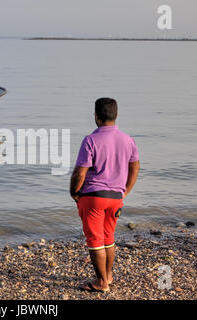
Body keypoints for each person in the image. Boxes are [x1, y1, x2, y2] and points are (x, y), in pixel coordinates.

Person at [69, 97, 140, 293]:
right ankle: (107, 276)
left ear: (96, 117)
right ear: (116, 115)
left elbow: (80, 172)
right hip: (116, 198)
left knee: (95, 240)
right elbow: (135, 168)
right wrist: (125, 191)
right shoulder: (128, 140)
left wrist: (74, 192)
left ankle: (101, 283)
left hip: (93, 196)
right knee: (108, 237)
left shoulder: (90, 140)